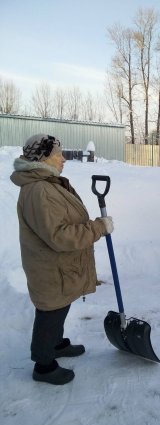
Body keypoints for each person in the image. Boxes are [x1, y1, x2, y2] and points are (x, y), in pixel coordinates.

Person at [10, 134, 114, 385]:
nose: (63, 158)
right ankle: (43, 365)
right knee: (50, 311)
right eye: (58, 154)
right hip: (50, 267)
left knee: (60, 305)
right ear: (44, 158)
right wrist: (98, 228)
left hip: (57, 265)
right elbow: (59, 236)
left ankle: (56, 344)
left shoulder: (46, 183)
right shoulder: (39, 190)